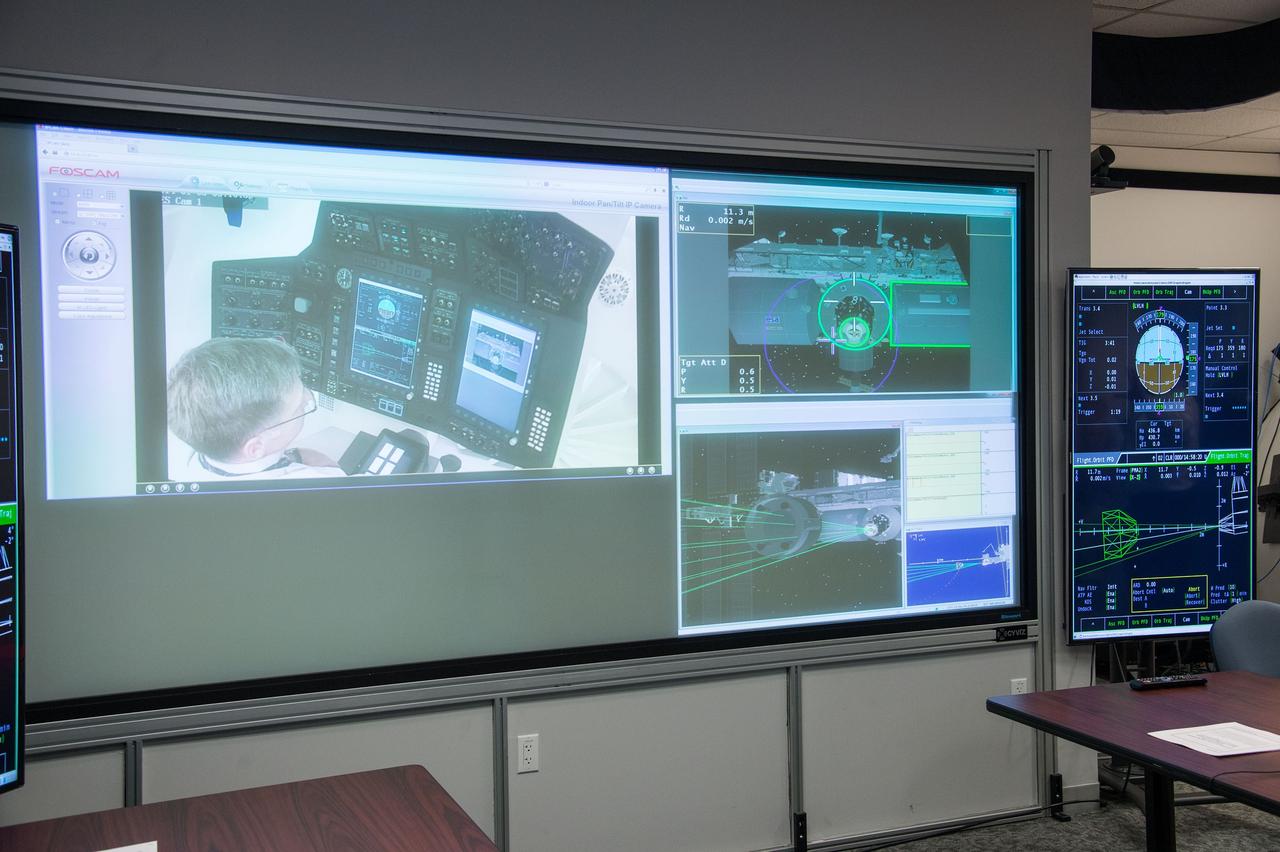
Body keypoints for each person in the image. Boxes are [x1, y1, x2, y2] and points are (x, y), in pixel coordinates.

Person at [167, 337, 342, 478]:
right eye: (299, 407)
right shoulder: (319, 484)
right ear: (256, 448)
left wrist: (295, 456)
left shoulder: (192, 462)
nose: (306, 401)